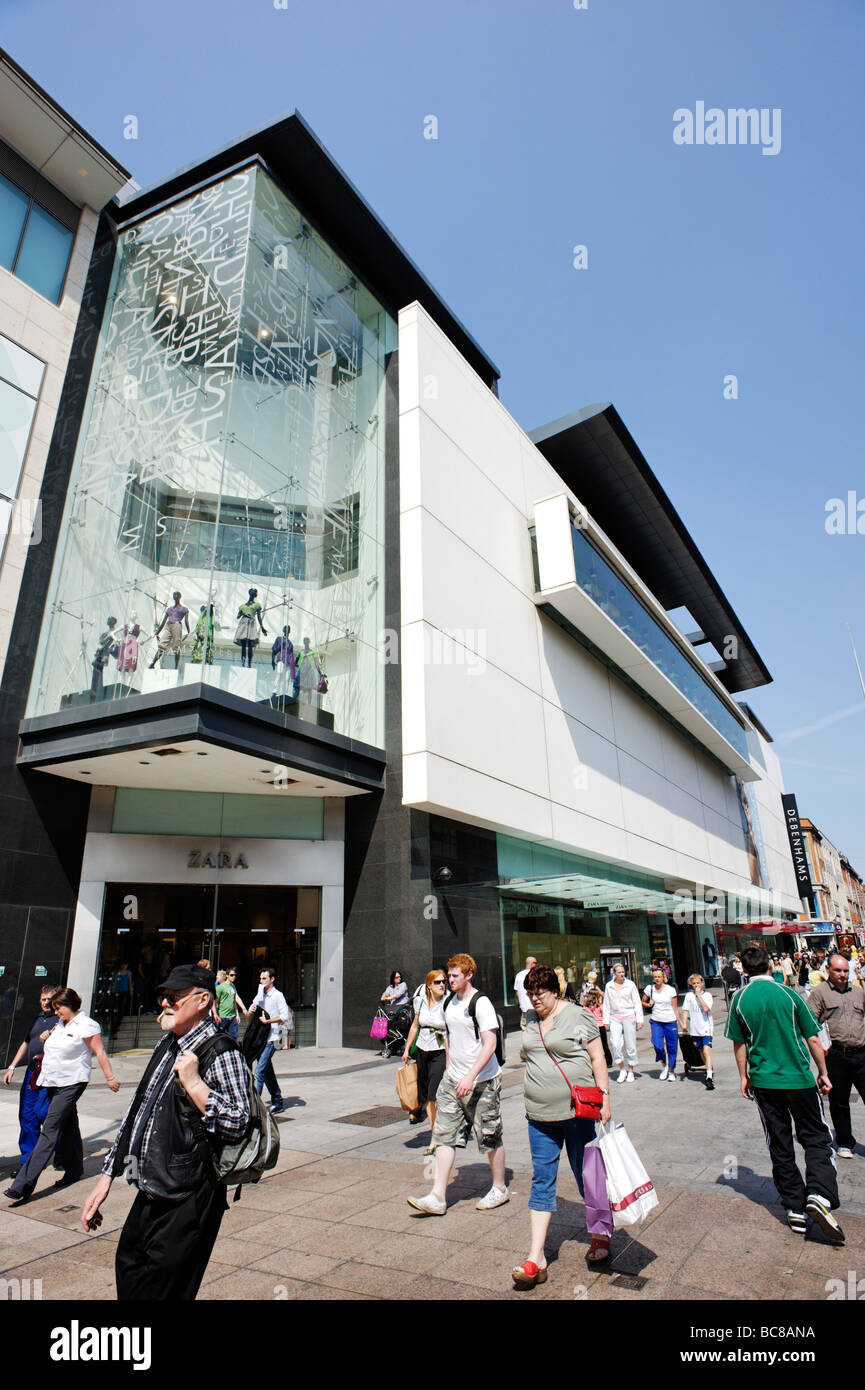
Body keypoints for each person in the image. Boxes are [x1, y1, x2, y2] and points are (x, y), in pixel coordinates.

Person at [81, 964, 251, 1300]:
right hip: (150, 1188)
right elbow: (138, 1111)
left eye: (174, 997)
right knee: (128, 1265)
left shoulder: (222, 1051)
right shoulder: (167, 1044)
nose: (165, 1003)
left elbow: (239, 1122)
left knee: (164, 1290)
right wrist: (107, 1177)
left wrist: (195, 1084)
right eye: (164, 996)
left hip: (188, 1197)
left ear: (203, 1000)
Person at [725, 945, 843, 1243]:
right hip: (799, 1079)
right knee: (816, 1137)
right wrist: (824, 1072)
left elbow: (739, 1044)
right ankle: (819, 1193)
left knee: (779, 1142)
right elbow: (813, 1037)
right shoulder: (789, 994)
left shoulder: (739, 999)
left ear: (744, 969)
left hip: (764, 1082)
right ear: (770, 967)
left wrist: (744, 1077)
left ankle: (795, 1207)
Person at [511, 963, 612, 1286]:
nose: (534, 1001)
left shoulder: (577, 1015)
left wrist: (605, 1096)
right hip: (538, 1114)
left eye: (539, 995)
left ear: (555, 991)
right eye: (530, 995)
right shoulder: (528, 1017)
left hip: (576, 1112)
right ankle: (535, 1257)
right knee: (542, 1179)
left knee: (587, 1174)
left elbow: (597, 1056)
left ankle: (600, 1233)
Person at [407, 953, 507, 1215]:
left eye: (454, 976)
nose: (449, 980)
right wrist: (451, 1069)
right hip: (454, 1079)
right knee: (443, 1134)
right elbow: (448, 1036)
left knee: (489, 1136)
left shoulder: (480, 1003)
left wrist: (470, 1075)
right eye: (448, 975)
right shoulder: (449, 1003)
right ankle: (437, 1195)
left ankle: (499, 1188)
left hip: (483, 1081)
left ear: (468, 975)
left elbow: (490, 1044)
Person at [4, 988, 120, 1204]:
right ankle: (74, 1170)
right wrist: (46, 1036)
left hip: (72, 1082)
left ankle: (22, 1184)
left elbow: (100, 1052)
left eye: (59, 1008)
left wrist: (110, 1077)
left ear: (71, 1005)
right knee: (68, 1125)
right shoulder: (60, 1024)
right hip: (51, 1081)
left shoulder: (87, 1025)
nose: (55, 1011)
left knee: (49, 1129)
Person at [808, 953, 865, 1161]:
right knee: (840, 1102)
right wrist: (820, 1047)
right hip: (836, 1055)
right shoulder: (819, 993)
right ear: (828, 970)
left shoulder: (858, 992)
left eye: (845, 971)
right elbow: (809, 1022)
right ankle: (844, 1142)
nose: (843, 975)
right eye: (838, 971)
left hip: (861, 1053)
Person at [3, 984, 61, 1175]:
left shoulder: (61, 1020)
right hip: (32, 1071)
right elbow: (26, 1042)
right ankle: (27, 1161)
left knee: (44, 1114)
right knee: (27, 1116)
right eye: (42, 999)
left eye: (49, 999)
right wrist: (12, 1066)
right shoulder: (37, 1018)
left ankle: (59, 1153)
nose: (45, 1003)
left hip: (50, 1072)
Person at [403, 969, 448, 1154]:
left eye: (444, 981)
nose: (442, 985)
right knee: (425, 1094)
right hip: (422, 1049)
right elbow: (415, 1025)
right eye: (438, 982)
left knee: (432, 1095)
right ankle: (433, 1128)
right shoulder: (420, 1002)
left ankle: (435, 1139)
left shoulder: (448, 1004)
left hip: (440, 1052)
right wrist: (407, 1049)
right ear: (429, 985)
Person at [247, 968, 289, 1114]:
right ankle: (277, 1100)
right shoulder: (260, 996)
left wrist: (268, 1021)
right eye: (260, 979)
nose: (261, 981)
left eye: (264, 979)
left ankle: (253, 1107)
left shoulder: (277, 995)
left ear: (272, 980)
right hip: (259, 1039)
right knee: (267, 1071)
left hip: (271, 1039)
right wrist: (250, 1012)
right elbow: (248, 1017)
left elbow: (285, 1016)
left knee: (259, 1072)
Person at [602, 963, 643, 1083]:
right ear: (614, 973)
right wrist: (606, 1020)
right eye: (619, 972)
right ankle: (621, 1069)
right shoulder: (609, 986)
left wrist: (639, 1019)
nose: (621, 974)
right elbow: (606, 1003)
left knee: (630, 1044)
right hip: (615, 1016)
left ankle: (630, 1070)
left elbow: (637, 1002)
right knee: (615, 1043)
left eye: (623, 972)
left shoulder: (630, 984)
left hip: (629, 1015)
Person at [643, 969, 683, 1081]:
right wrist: (648, 1004)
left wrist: (682, 1023)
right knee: (657, 1045)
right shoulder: (649, 989)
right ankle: (664, 1066)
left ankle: (671, 1070)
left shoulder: (670, 990)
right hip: (656, 1021)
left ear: (663, 977)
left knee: (672, 1047)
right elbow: (642, 1002)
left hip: (670, 1021)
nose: (657, 979)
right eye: (655, 977)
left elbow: (675, 1008)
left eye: (659, 976)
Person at [681, 974, 715, 1090]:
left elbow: (706, 1009)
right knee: (701, 1051)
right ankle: (708, 1067)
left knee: (706, 1050)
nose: (696, 986)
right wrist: (684, 1024)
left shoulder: (708, 995)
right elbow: (686, 1010)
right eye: (694, 984)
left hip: (706, 1028)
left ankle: (709, 1077)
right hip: (695, 1029)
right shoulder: (689, 996)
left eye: (698, 983)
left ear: (702, 983)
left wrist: (699, 996)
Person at [581, 985, 612, 1067]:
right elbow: (605, 1014)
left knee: (593, 1044)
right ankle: (608, 1061)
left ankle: (593, 1059)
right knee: (604, 1044)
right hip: (601, 1026)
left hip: (591, 1026)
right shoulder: (600, 1006)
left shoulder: (586, 1006)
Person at [215, 967, 245, 1040]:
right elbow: (215, 1002)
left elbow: (234, 1000)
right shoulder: (220, 987)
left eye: (235, 975)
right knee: (220, 1038)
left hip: (232, 1017)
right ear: (227, 976)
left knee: (234, 1038)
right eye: (231, 975)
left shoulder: (233, 986)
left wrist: (237, 1014)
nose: (234, 977)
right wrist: (215, 1015)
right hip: (223, 1017)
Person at [514, 955, 538, 1028]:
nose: (537, 965)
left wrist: (521, 1002)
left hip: (524, 1008)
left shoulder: (518, 975)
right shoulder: (535, 975)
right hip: (535, 1008)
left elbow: (517, 992)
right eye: (536, 963)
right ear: (532, 964)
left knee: (525, 1029)